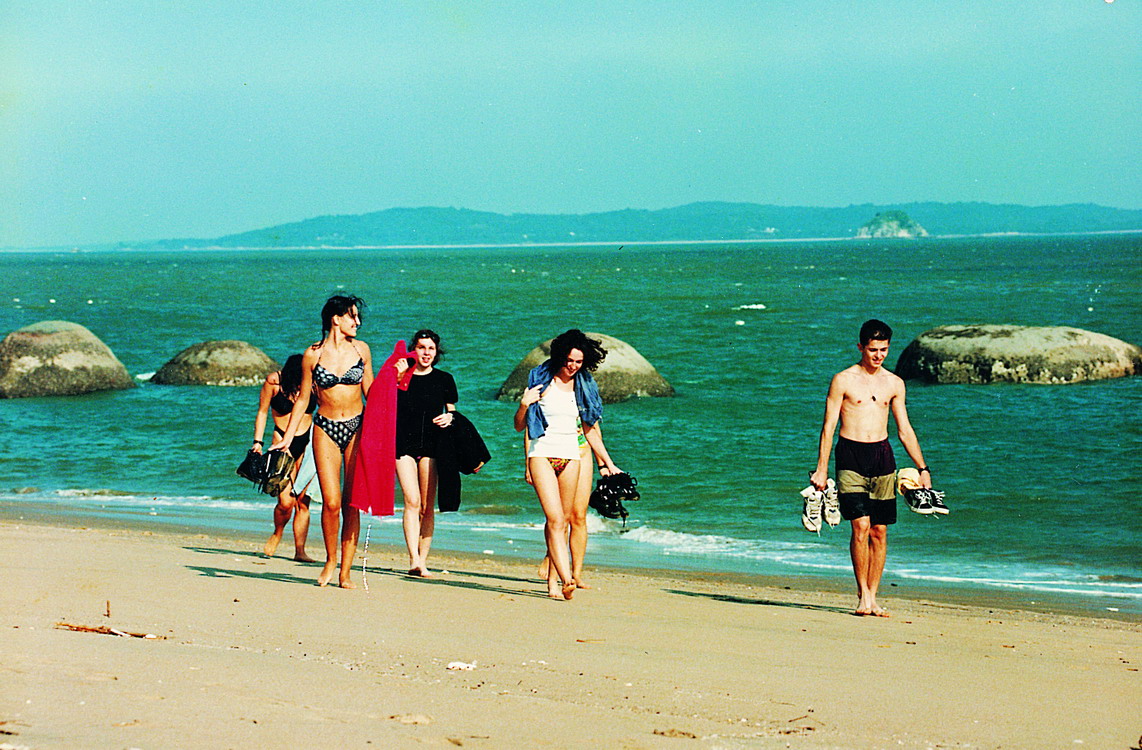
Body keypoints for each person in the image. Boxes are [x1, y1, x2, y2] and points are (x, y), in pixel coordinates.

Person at [810, 319, 931, 617]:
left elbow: (904, 429)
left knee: (879, 531)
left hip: (882, 456)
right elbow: (828, 427)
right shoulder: (843, 380)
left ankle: (873, 597)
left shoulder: (894, 383)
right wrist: (821, 469)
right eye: (873, 349)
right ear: (861, 347)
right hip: (850, 455)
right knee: (860, 526)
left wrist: (923, 468)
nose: (879, 355)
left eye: (884, 350)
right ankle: (862, 594)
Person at [273, 295, 373, 588]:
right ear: (336, 319)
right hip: (325, 428)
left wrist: (397, 381)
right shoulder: (312, 355)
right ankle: (331, 560)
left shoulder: (362, 350)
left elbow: (371, 392)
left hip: (357, 427)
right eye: (352, 316)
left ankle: (346, 571)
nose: (357, 322)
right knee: (330, 502)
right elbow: (304, 398)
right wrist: (287, 439)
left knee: (352, 503)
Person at [514, 329, 622, 600]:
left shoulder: (583, 387)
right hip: (542, 454)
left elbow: (590, 430)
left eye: (579, 362)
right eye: (569, 360)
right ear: (560, 357)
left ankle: (553, 583)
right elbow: (519, 426)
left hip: (572, 456)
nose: (573, 366)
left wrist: (608, 463)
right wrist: (524, 404)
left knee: (564, 521)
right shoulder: (541, 381)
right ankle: (566, 579)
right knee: (554, 519)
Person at [393, 329, 458, 577]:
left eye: (431, 348)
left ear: (436, 351)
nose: (426, 353)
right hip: (403, 445)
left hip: (432, 446)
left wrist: (450, 417)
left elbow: (453, 412)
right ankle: (413, 559)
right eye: (421, 347)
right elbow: (384, 403)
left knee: (427, 507)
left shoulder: (445, 379)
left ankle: (423, 559)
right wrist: (398, 378)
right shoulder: (402, 376)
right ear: (414, 350)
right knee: (412, 501)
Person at [251, 354, 316, 561]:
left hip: (307, 441)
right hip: (281, 440)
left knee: (303, 501)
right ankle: (277, 533)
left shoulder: (312, 384)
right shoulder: (274, 383)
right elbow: (262, 412)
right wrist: (258, 442)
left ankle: (300, 551)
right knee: (286, 502)